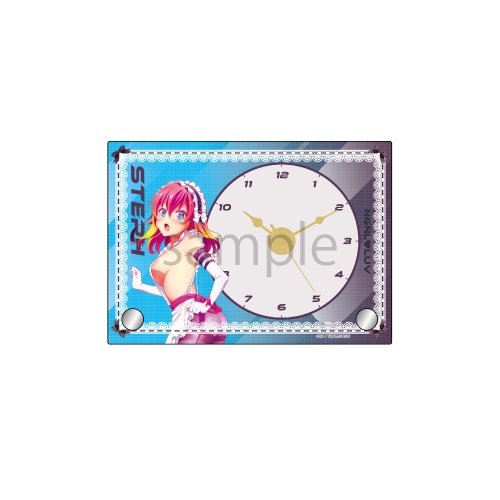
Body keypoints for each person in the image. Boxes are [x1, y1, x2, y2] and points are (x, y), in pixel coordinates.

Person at [130, 181, 228, 344]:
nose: (166, 221)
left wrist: (205, 304)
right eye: (162, 212)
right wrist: (140, 286)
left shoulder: (190, 241)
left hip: (193, 318)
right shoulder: (175, 247)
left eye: (179, 215)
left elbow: (221, 277)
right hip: (203, 319)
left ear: (191, 218)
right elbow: (173, 291)